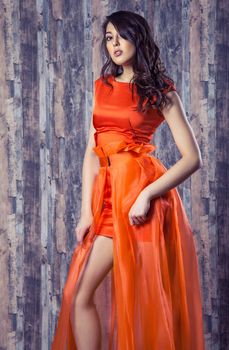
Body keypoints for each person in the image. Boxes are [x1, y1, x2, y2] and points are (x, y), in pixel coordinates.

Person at [51, 10, 205, 350]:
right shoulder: (102, 87)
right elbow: (92, 151)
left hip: (137, 195)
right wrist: (85, 214)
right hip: (105, 195)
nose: (114, 44)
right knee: (78, 293)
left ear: (138, 37)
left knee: (142, 298)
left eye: (121, 35)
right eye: (108, 38)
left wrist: (147, 195)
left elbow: (192, 158)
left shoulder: (160, 91)